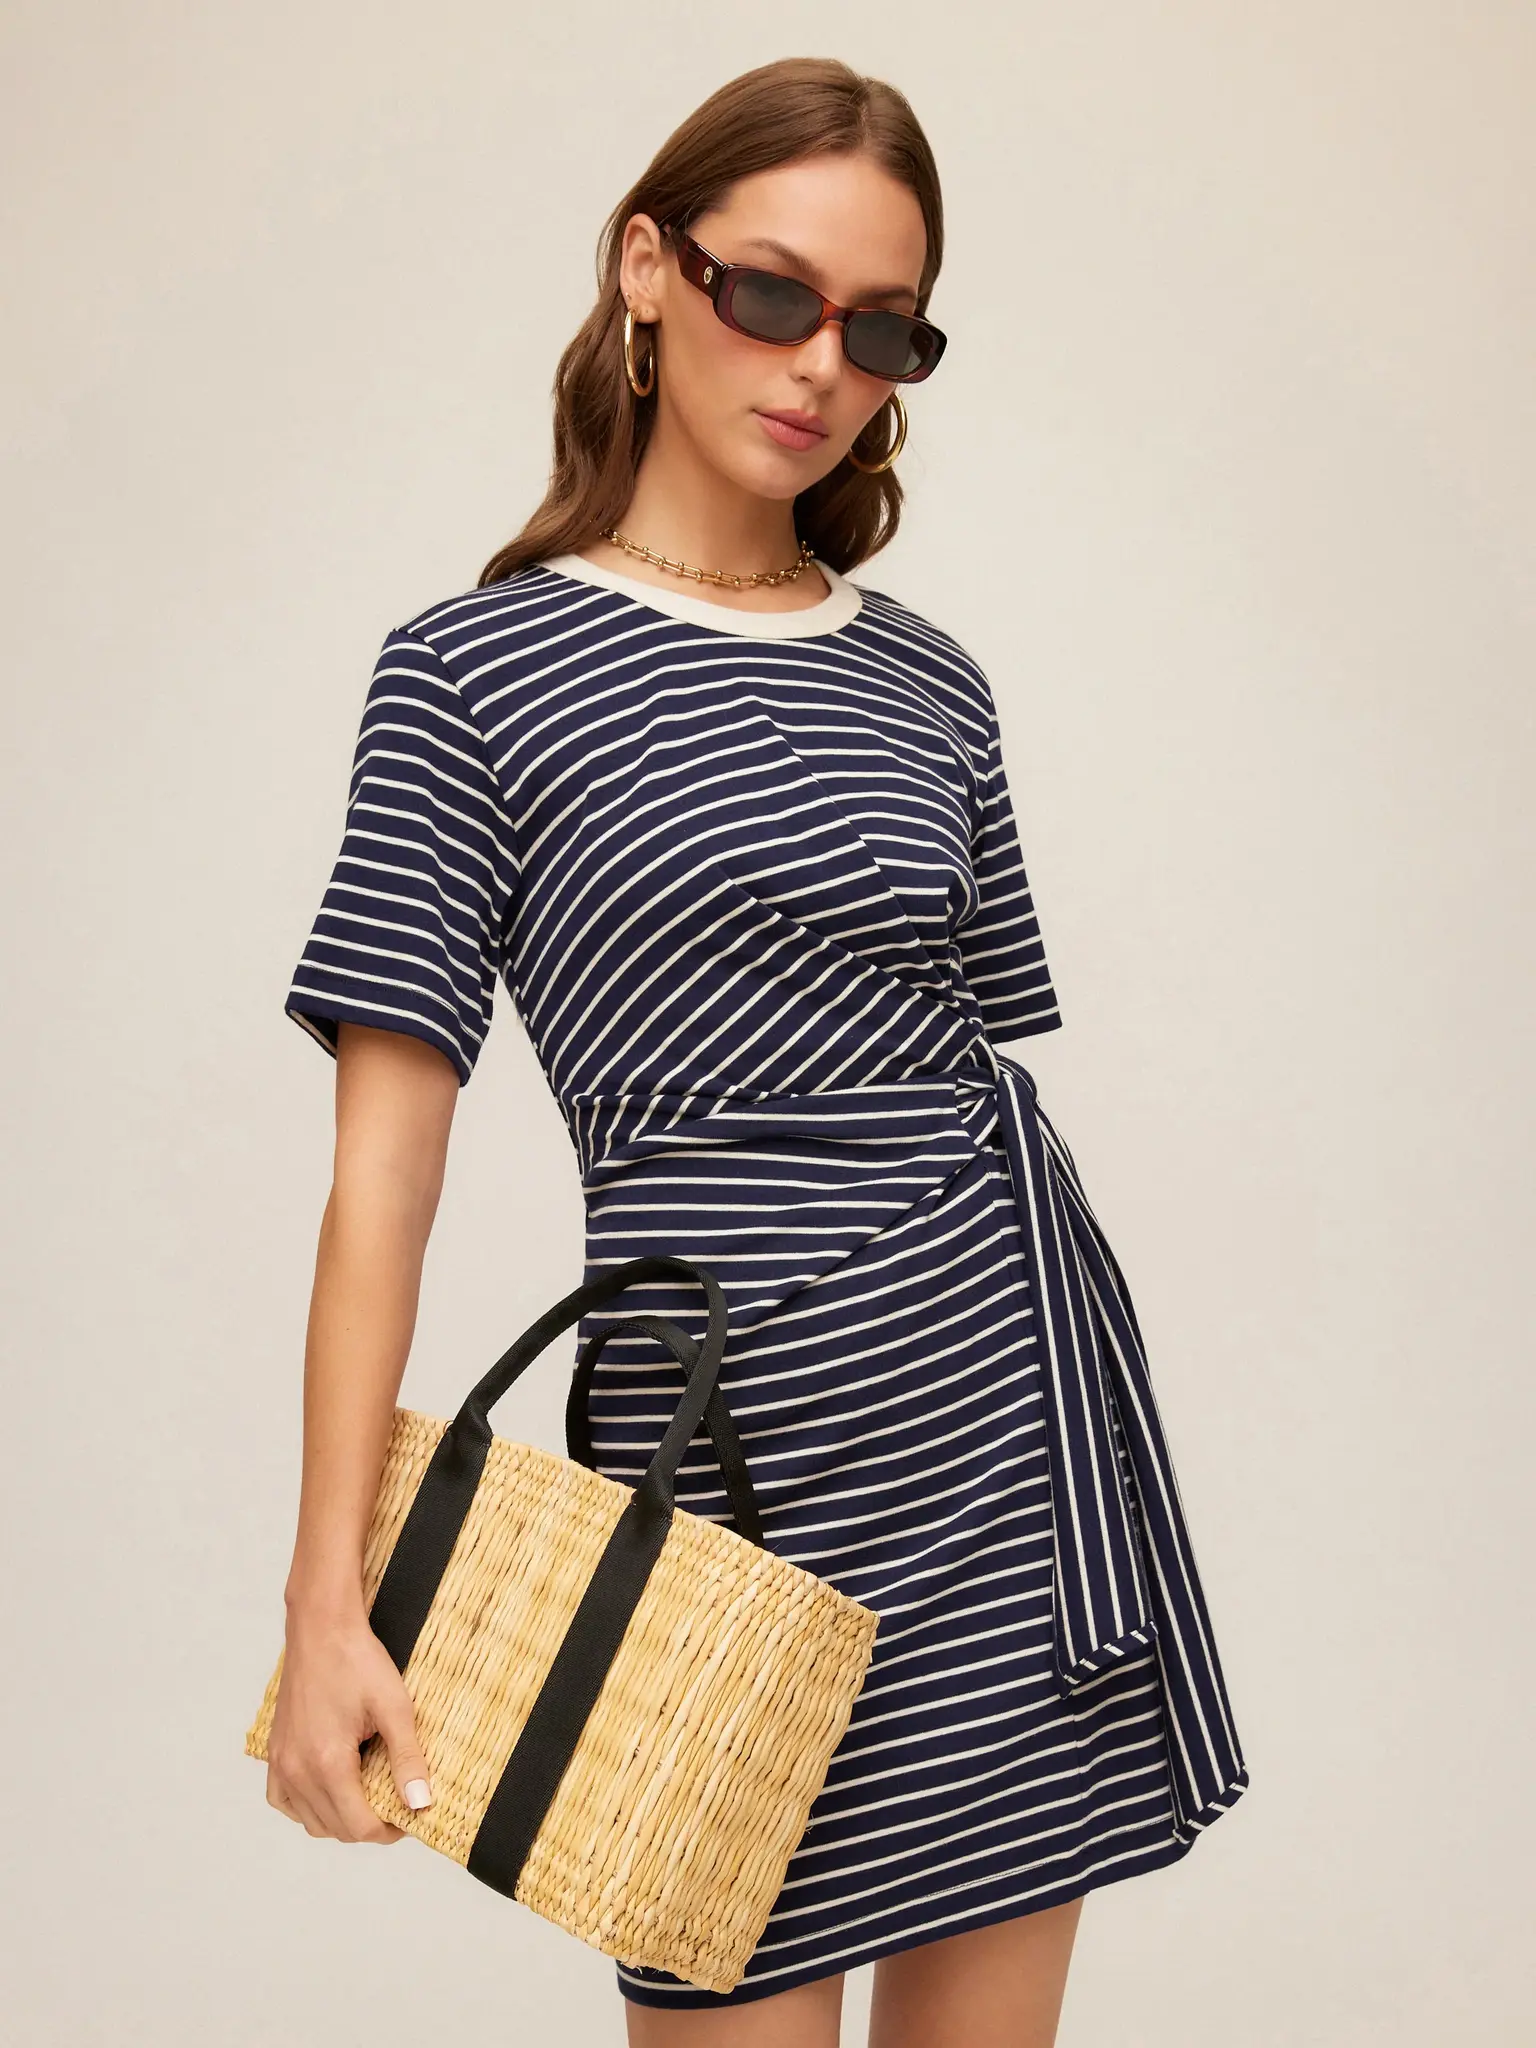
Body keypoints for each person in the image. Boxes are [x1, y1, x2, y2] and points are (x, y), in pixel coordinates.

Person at [263, 55, 1249, 2048]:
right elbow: (383, 1176)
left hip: (994, 1417)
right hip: (721, 1453)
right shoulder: (468, 672)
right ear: (649, 267)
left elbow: (950, 1065)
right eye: (774, 292)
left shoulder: (931, 683)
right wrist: (326, 1595)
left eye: (882, 329)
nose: (819, 364)